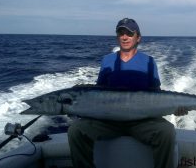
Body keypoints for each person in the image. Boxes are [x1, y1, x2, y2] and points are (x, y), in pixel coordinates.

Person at [68, 18, 188, 168]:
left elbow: (156, 95)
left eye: (129, 33)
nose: (124, 37)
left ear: (138, 38)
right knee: (75, 131)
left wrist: (174, 108)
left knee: (167, 131)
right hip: (109, 121)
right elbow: (98, 92)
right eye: (121, 33)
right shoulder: (107, 60)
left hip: (141, 121)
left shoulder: (149, 62)